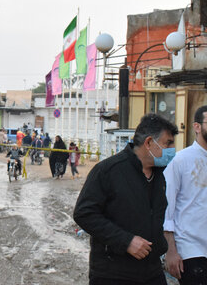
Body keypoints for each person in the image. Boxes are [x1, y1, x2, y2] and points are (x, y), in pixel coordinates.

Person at [73, 113, 178, 285]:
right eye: (168, 143)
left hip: (152, 272)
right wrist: (125, 241)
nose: (172, 150)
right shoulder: (108, 171)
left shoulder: (160, 176)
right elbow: (84, 213)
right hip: (113, 273)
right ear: (149, 142)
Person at [163, 105, 207, 283]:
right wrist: (170, 250)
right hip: (191, 249)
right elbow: (167, 208)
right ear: (197, 127)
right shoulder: (181, 161)